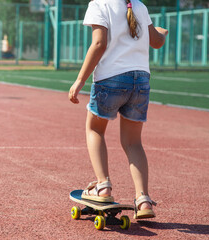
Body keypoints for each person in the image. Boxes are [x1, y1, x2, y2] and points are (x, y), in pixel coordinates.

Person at [68, 0, 168, 219]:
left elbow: (99, 44)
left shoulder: (99, 4)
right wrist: (162, 32)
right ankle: (143, 200)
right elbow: (157, 41)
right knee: (133, 143)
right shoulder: (139, 6)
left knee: (94, 129)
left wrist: (79, 80)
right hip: (140, 81)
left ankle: (103, 187)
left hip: (110, 79)